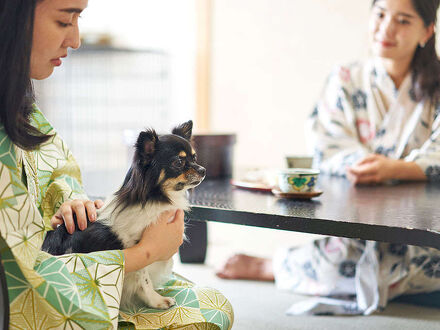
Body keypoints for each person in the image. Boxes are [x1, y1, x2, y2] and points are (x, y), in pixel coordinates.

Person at [0, 0, 233, 328]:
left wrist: (70, 200)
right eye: (65, 21)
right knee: (206, 316)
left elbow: (54, 169)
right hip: (41, 295)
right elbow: (18, 278)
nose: (76, 40)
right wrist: (144, 254)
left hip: (74, 257)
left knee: (214, 301)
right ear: (12, 18)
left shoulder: (21, 107)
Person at [217, 0, 440, 315]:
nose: (386, 29)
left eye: (403, 20)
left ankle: (288, 268)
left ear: (426, 32)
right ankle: (277, 266)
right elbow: (327, 140)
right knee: (346, 258)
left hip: (424, 223)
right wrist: (363, 166)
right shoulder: (346, 78)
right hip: (363, 219)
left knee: (418, 261)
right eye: (380, 15)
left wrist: (396, 168)